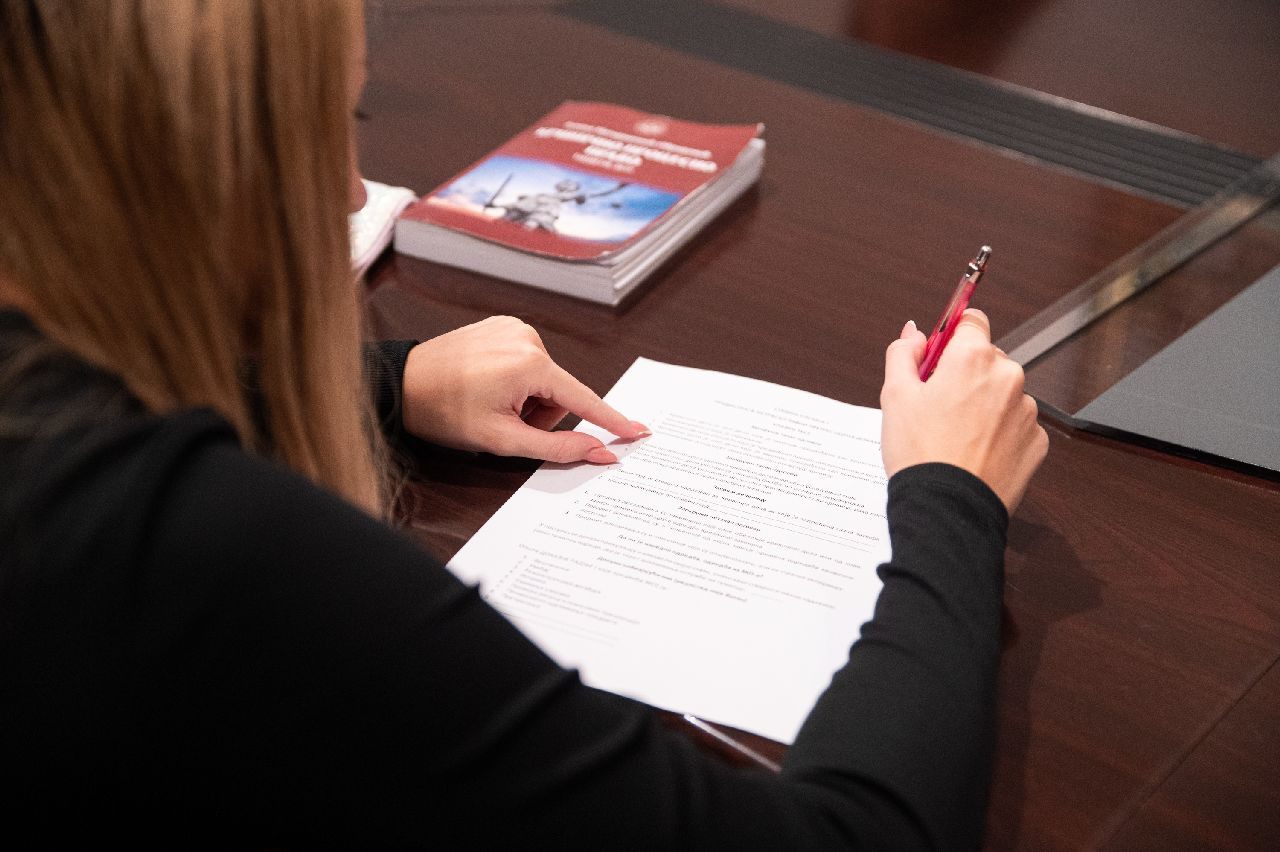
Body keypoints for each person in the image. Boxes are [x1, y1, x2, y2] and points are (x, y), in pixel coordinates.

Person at [0, 0, 1047, 846]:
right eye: (320, 126)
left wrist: (388, 382)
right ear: (173, 158)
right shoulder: (193, 550)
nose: (355, 195)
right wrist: (951, 496)